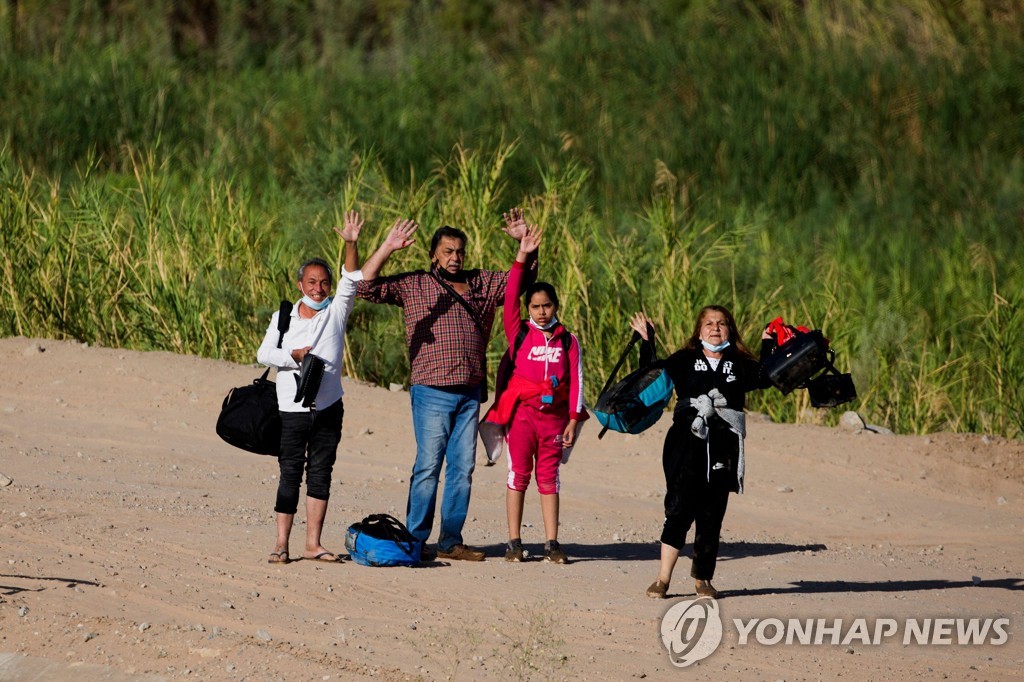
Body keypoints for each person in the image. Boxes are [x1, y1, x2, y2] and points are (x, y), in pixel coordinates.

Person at [357, 209, 536, 561]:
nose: (455, 258)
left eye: (459, 252)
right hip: (431, 390)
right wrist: (388, 247)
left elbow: (522, 284)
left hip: (469, 391)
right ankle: (415, 540)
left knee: (462, 468)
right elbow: (365, 286)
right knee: (428, 465)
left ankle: (451, 541)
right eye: (447, 252)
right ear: (433, 255)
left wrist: (525, 248)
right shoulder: (415, 284)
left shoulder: (482, 284)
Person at [630, 307, 773, 598]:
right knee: (679, 510)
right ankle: (662, 579)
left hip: (724, 445)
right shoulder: (684, 360)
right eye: (709, 323)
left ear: (730, 331)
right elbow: (651, 377)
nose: (715, 328)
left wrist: (767, 341)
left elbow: (766, 376)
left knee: (712, 513)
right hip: (685, 443)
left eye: (722, 323)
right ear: (699, 331)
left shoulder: (739, 363)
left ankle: (703, 579)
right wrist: (647, 341)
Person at [255, 210, 371, 565]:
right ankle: (280, 544)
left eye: (323, 283)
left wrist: (351, 243)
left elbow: (351, 278)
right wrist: (294, 356)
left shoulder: (335, 312)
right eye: (312, 283)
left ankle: (313, 544)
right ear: (300, 285)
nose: (319, 288)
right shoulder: (284, 316)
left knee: (321, 472)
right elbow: (263, 354)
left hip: (328, 407)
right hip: (291, 408)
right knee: (290, 472)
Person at [480, 224, 586, 564]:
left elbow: (578, 381)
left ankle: (552, 543)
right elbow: (510, 295)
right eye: (536, 306)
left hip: (554, 420)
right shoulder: (519, 333)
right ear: (529, 308)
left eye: (547, 305)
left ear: (555, 306)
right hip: (523, 416)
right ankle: (514, 542)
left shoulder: (568, 340)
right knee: (518, 475)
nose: (542, 311)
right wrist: (522, 255)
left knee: (550, 478)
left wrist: (572, 420)